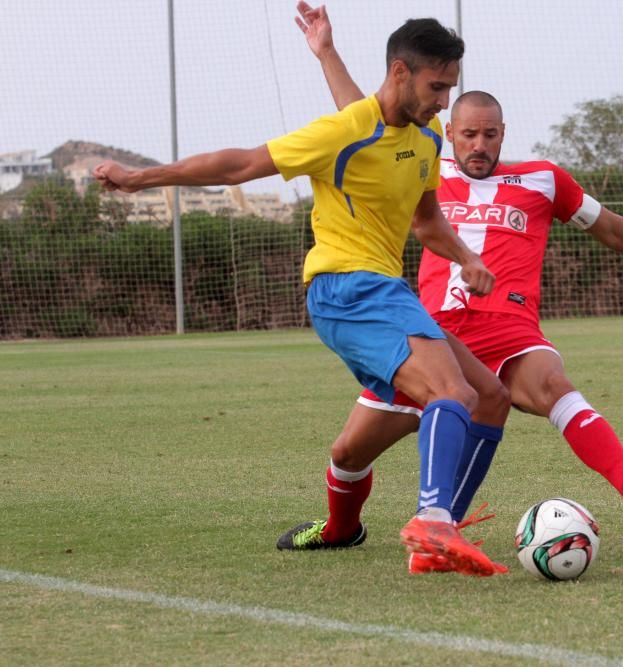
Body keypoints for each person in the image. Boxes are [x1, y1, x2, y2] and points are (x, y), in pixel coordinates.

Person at [287, 3, 623, 574]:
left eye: (489, 135)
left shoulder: (541, 178)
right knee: (347, 453)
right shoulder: (424, 159)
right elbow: (362, 117)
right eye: (468, 134)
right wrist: (326, 52)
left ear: (503, 133)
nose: (479, 145)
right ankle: (341, 530)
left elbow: (610, 226)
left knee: (551, 386)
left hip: (505, 329)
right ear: (449, 132)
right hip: (426, 332)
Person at [93, 16, 512, 577]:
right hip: (346, 289)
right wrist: (140, 177)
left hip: (384, 293)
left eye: (450, 88)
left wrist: (466, 258)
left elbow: (427, 221)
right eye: (437, 87)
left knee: (487, 396)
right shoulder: (340, 132)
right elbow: (241, 163)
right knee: (453, 392)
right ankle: (433, 524)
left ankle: (364, 529)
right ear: (401, 73)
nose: (444, 101)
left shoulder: (423, 140)